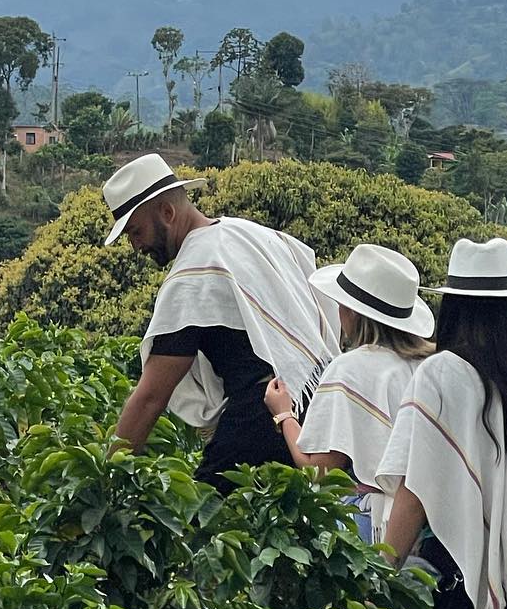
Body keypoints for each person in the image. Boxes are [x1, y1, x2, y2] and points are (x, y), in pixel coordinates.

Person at [106, 153, 337, 492]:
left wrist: (106, 477)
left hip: (260, 416)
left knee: (204, 523)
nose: (135, 245)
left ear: (167, 214)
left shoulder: (194, 274)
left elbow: (151, 396)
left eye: (136, 231)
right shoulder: (249, 234)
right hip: (309, 404)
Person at [378, 237, 507, 609]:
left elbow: (415, 492)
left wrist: (379, 580)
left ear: (454, 306)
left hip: (468, 594)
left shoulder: (442, 374)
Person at [263, 243, 434, 541]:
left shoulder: (350, 370)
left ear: (354, 312)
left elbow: (321, 471)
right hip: (424, 527)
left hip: (371, 527)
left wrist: (284, 414)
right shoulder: (428, 367)